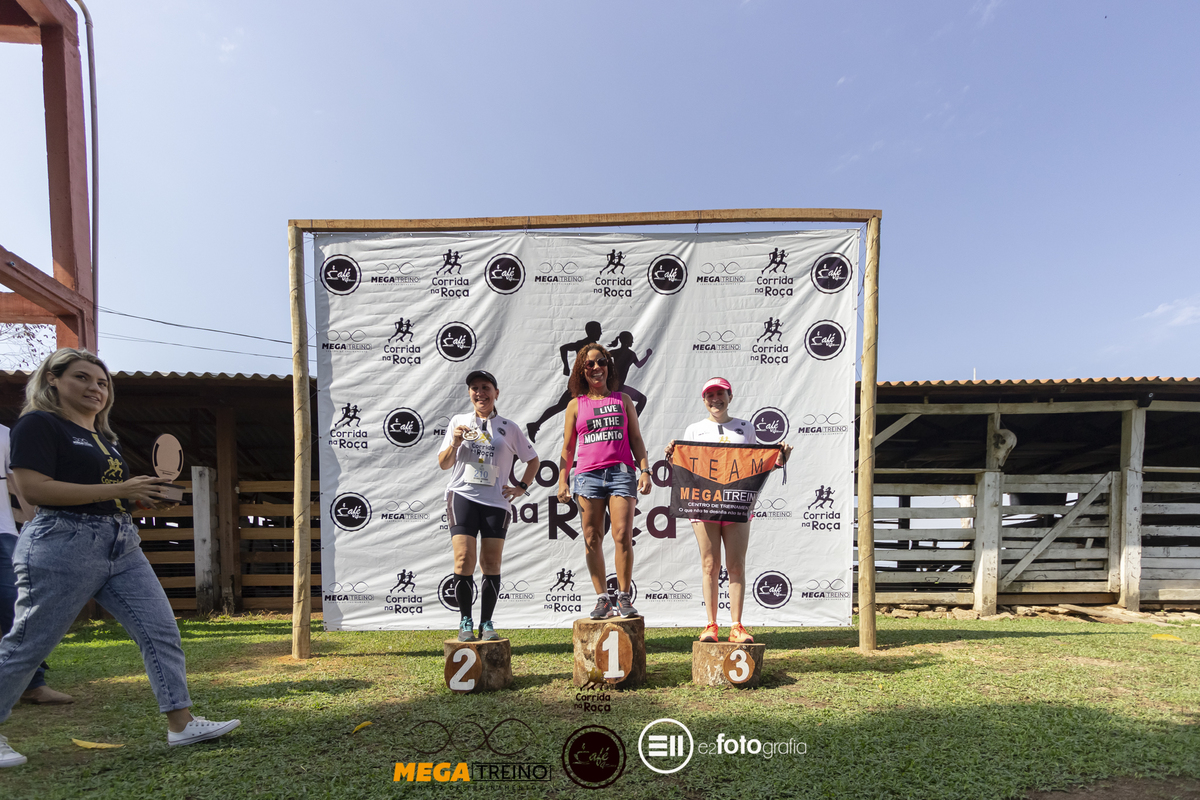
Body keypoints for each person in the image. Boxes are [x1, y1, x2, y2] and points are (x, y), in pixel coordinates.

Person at [0, 348, 240, 769]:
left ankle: (181, 724)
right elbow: (34, 490)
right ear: (53, 380)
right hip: (61, 542)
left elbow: (110, 494)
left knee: (160, 630)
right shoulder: (38, 424)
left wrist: (140, 500)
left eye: (102, 382)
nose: (95, 388)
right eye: (82, 378)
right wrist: (118, 491)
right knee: (29, 643)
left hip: (121, 542)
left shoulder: (105, 438)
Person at [664, 377, 792, 644]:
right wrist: (672, 455)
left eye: (720, 394)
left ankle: (737, 626)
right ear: (704, 400)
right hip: (704, 506)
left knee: (736, 565)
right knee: (710, 564)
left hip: (736, 506)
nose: (715, 400)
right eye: (710, 395)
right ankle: (711, 625)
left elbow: (755, 466)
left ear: (730, 397)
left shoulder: (745, 428)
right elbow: (686, 467)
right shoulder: (694, 430)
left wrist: (779, 459)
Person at [437, 369, 539, 642]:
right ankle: (465, 622)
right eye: (474, 388)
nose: (479, 393)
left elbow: (533, 460)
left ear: (496, 393)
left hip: (496, 502)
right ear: (470, 394)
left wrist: (522, 488)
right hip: (463, 496)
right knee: (463, 559)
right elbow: (444, 463)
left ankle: (487, 623)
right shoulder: (459, 422)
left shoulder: (509, 426)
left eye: (485, 387)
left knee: (491, 562)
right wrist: (456, 442)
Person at [556, 344, 652, 620]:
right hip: (587, 476)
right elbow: (567, 447)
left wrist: (644, 470)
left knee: (622, 535)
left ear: (609, 367)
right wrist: (563, 480)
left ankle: (623, 596)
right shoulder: (576, 405)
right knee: (591, 537)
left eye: (601, 362)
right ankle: (602, 599)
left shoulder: (623, 400)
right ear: (581, 371)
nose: (596, 368)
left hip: (621, 473)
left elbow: (636, 439)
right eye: (589, 365)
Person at [0, 424, 74, 709]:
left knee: (13, 606)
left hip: (3, 533)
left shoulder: (6, 435)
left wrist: (41, 527)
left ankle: (33, 683)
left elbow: (18, 486)